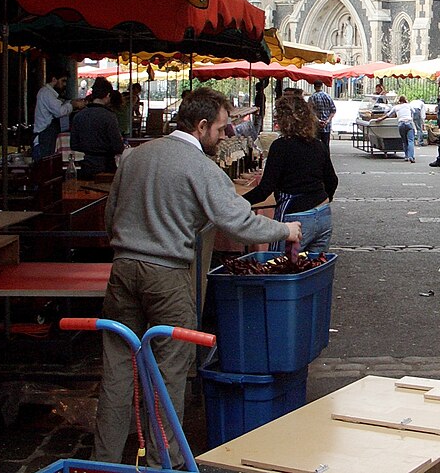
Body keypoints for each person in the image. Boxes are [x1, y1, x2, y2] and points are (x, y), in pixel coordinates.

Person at [94, 87, 301, 467]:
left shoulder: (135, 157)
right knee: (170, 370)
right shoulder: (200, 166)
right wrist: (284, 232)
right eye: (221, 129)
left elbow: (111, 216)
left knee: (117, 370)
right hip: (167, 275)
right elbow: (238, 223)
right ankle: (161, 461)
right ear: (202, 126)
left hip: (123, 269)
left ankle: (103, 460)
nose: (225, 136)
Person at [243, 95, 337, 252]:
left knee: (282, 267)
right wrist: (323, 198)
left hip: (295, 219)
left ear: (283, 120)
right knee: (315, 269)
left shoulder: (280, 147)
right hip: (323, 215)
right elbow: (332, 180)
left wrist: (237, 203)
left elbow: (265, 189)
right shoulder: (318, 145)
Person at [70, 77, 126, 178]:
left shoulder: (78, 115)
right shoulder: (109, 116)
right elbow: (118, 147)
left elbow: (74, 145)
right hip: (106, 167)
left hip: (86, 166)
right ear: (108, 95)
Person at [33, 69, 83, 161]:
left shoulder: (50, 94)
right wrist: (73, 105)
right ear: (54, 79)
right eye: (63, 81)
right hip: (44, 138)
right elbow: (60, 111)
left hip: (48, 137)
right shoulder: (46, 93)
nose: (64, 84)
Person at [374, 95, 416, 162]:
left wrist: (380, 119)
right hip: (409, 123)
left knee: (404, 141)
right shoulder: (409, 105)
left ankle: (406, 156)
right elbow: (414, 112)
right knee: (410, 141)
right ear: (405, 100)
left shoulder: (396, 107)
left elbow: (388, 115)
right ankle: (411, 157)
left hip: (401, 124)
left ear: (399, 101)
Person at [308, 81, 337, 148]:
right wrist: (327, 120)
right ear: (322, 86)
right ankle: (326, 157)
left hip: (316, 125)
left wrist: (318, 120)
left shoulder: (312, 97)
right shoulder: (328, 97)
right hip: (327, 126)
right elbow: (333, 110)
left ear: (314, 87)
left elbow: (310, 111)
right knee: (326, 145)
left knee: (316, 146)